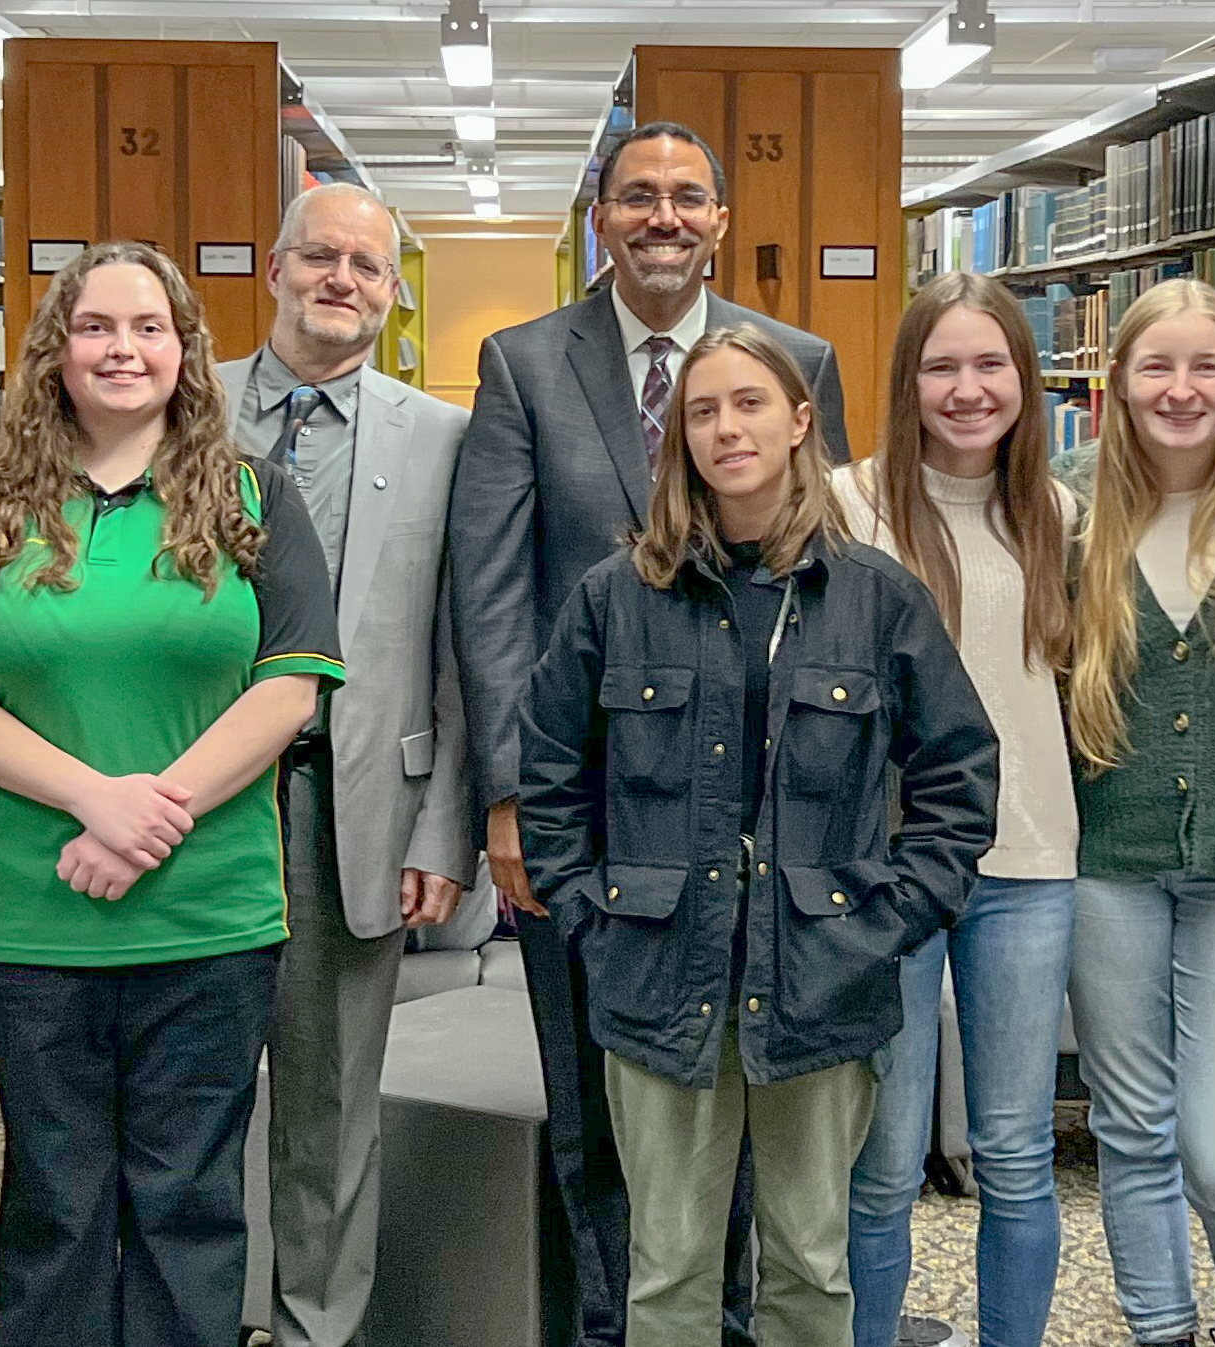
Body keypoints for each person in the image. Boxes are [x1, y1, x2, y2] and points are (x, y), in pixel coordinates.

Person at [0, 241, 343, 1347]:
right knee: (55, 1200)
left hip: (212, 918)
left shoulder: (250, 497)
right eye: (97, 326)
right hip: (31, 920)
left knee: (187, 1203)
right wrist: (97, 800)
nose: (123, 349)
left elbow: (289, 688)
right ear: (56, 351)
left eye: (150, 327)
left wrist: (150, 818)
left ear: (186, 352)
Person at [450, 118, 848, 1347]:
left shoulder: (797, 357)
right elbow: (492, 591)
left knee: (736, 1105)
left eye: (686, 198)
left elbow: (814, 572)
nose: (662, 217)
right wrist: (513, 799)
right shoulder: (523, 361)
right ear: (602, 219)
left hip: (750, 826)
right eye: (636, 198)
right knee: (596, 1115)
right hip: (587, 820)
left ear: (721, 220)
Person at [519, 324, 996, 1347]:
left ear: (799, 422)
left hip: (824, 976)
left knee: (810, 1269)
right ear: (677, 438)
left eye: (748, 403)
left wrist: (889, 919)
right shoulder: (614, 598)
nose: (726, 427)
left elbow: (957, 775)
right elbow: (550, 777)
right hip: (655, 976)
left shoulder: (877, 599)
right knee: (668, 1273)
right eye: (702, 410)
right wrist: (589, 920)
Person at [219, 183, 473, 1347]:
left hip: (350, 811)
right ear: (273, 269)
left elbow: (461, 651)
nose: (342, 282)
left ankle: (314, 1328)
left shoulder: (441, 437)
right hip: (194, 810)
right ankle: (198, 1316)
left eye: (368, 269)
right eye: (320, 257)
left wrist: (443, 831)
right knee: (189, 1098)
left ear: (390, 294)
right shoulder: (184, 407)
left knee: (330, 1114)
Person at [1056, 279, 1215, 1347]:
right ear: (1116, 380)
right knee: (1131, 1130)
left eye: (1206, 365)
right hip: (1103, 858)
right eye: (1156, 365)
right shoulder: (1067, 495)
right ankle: (1159, 1325)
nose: (1181, 388)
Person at [828, 273, 1073, 1347]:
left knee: (1017, 1152)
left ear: (1024, 376)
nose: (968, 389)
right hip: (885, 868)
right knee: (880, 1162)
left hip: (1029, 864)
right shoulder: (847, 506)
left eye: (991, 364)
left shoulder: (1059, 511)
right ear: (906, 380)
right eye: (942, 366)